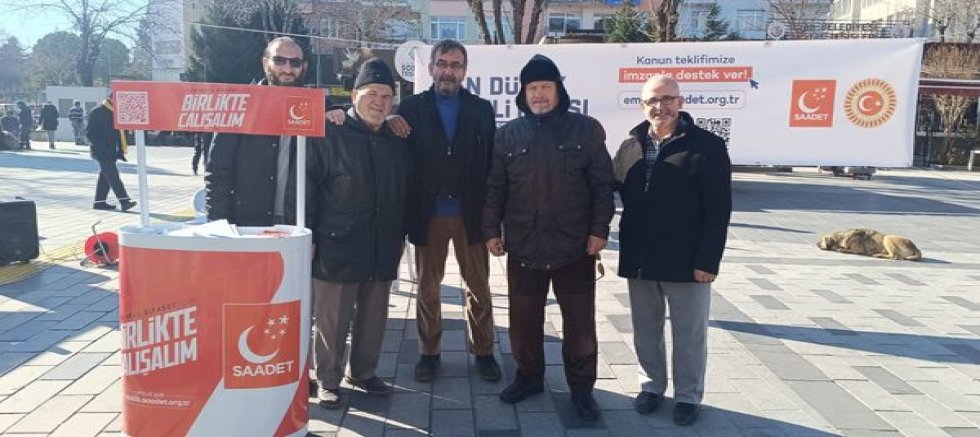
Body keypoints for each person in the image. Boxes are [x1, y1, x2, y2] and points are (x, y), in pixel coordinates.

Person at [482, 54, 614, 422]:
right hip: (524, 246)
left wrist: (599, 230)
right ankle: (528, 378)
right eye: (532, 88)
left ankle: (582, 390)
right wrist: (491, 231)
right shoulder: (507, 135)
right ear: (523, 94)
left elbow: (603, 185)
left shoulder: (586, 130)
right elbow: (495, 187)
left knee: (580, 328)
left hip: (575, 248)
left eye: (545, 87)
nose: (539, 94)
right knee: (523, 324)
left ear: (559, 90)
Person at [612, 74, 732, 426]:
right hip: (640, 257)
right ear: (642, 105)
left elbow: (719, 209)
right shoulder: (630, 146)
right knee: (645, 329)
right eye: (652, 100)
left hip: (687, 260)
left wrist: (708, 260)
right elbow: (607, 190)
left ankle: (687, 396)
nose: (659, 106)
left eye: (667, 99)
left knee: (689, 334)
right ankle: (651, 387)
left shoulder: (707, 146)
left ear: (680, 102)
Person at [393, 39, 500, 382]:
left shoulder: (481, 109)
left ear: (464, 71)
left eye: (455, 65)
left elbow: (491, 164)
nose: (448, 71)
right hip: (428, 213)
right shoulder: (410, 108)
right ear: (431, 68)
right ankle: (429, 353)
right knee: (428, 288)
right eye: (442, 63)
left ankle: (484, 351)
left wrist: (493, 217)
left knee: (479, 287)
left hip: (471, 213)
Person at [310, 58, 410, 409]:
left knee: (374, 317)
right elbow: (309, 187)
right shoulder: (331, 133)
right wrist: (310, 236)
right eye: (372, 94)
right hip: (337, 243)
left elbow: (405, 189)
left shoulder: (396, 139)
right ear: (354, 96)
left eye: (386, 96)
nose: (379, 102)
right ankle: (328, 379)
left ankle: (364, 372)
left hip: (382, 242)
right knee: (332, 320)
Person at [205, 36, 309, 226]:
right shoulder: (239, 105)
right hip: (248, 224)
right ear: (265, 62)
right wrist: (218, 225)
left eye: (295, 62)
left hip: (300, 223)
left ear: (304, 66)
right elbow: (218, 174)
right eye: (279, 60)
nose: (287, 69)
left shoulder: (317, 108)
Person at [88, 94, 136, 212]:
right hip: (102, 151)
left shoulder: (116, 112)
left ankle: (99, 202)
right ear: (109, 98)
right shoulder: (97, 111)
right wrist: (102, 147)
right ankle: (124, 201)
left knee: (105, 176)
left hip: (112, 150)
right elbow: (90, 133)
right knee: (113, 176)